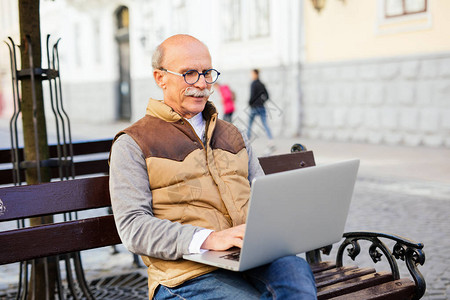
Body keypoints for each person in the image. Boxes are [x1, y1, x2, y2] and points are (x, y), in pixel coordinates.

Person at [109, 34, 316, 300]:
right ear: (160, 78)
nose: (202, 84)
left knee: (295, 272)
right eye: (189, 74)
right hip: (185, 274)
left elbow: (265, 202)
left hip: (249, 258)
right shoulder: (133, 143)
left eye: (207, 73)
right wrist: (208, 239)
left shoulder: (234, 135)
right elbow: (133, 228)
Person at [247, 69, 274, 145]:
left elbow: (252, 96)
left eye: (252, 74)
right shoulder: (262, 84)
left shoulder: (253, 84)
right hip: (261, 107)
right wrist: (262, 101)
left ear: (255, 74)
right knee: (265, 124)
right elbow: (267, 96)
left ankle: (247, 141)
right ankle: (270, 140)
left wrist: (250, 103)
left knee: (249, 124)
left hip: (254, 107)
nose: (251, 75)